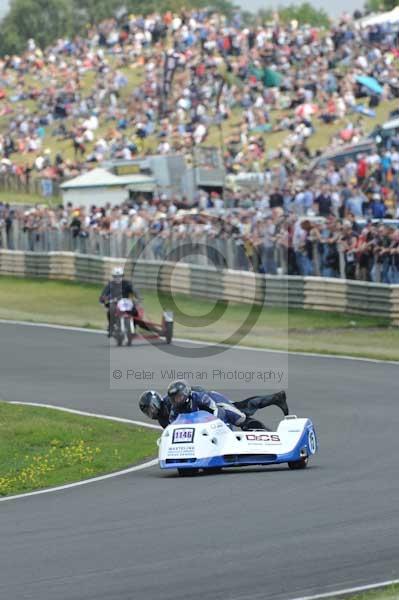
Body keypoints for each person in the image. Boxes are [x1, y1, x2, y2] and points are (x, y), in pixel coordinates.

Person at [139, 382, 289, 430]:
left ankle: (267, 432)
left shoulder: (171, 401)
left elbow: (193, 392)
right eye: (147, 412)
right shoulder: (163, 420)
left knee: (241, 413)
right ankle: (276, 399)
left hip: (210, 401)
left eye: (151, 408)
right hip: (201, 418)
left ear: (157, 402)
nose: (151, 413)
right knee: (241, 407)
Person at [99, 266, 141, 337]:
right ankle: (111, 327)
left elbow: (134, 290)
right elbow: (104, 294)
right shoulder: (110, 285)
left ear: (122, 276)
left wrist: (138, 297)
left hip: (126, 303)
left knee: (136, 312)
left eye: (119, 276)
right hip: (114, 302)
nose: (118, 278)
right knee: (110, 311)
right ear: (113, 277)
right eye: (116, 276)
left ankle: (133, 327)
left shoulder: (127, 284)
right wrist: (103, 298)